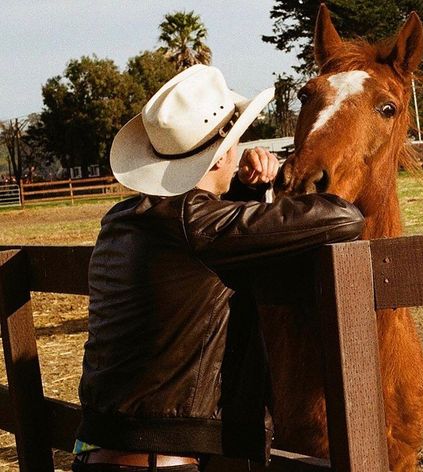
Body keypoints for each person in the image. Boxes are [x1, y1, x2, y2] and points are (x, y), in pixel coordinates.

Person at [72, 65, 364, 471]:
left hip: (96, 450)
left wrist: (243, 190)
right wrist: (280, 175)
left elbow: (202, 251)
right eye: (236, 141)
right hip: (162, 460)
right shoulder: (198, 225)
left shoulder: (122, 219)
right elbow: (344, 217)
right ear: (220, 155)